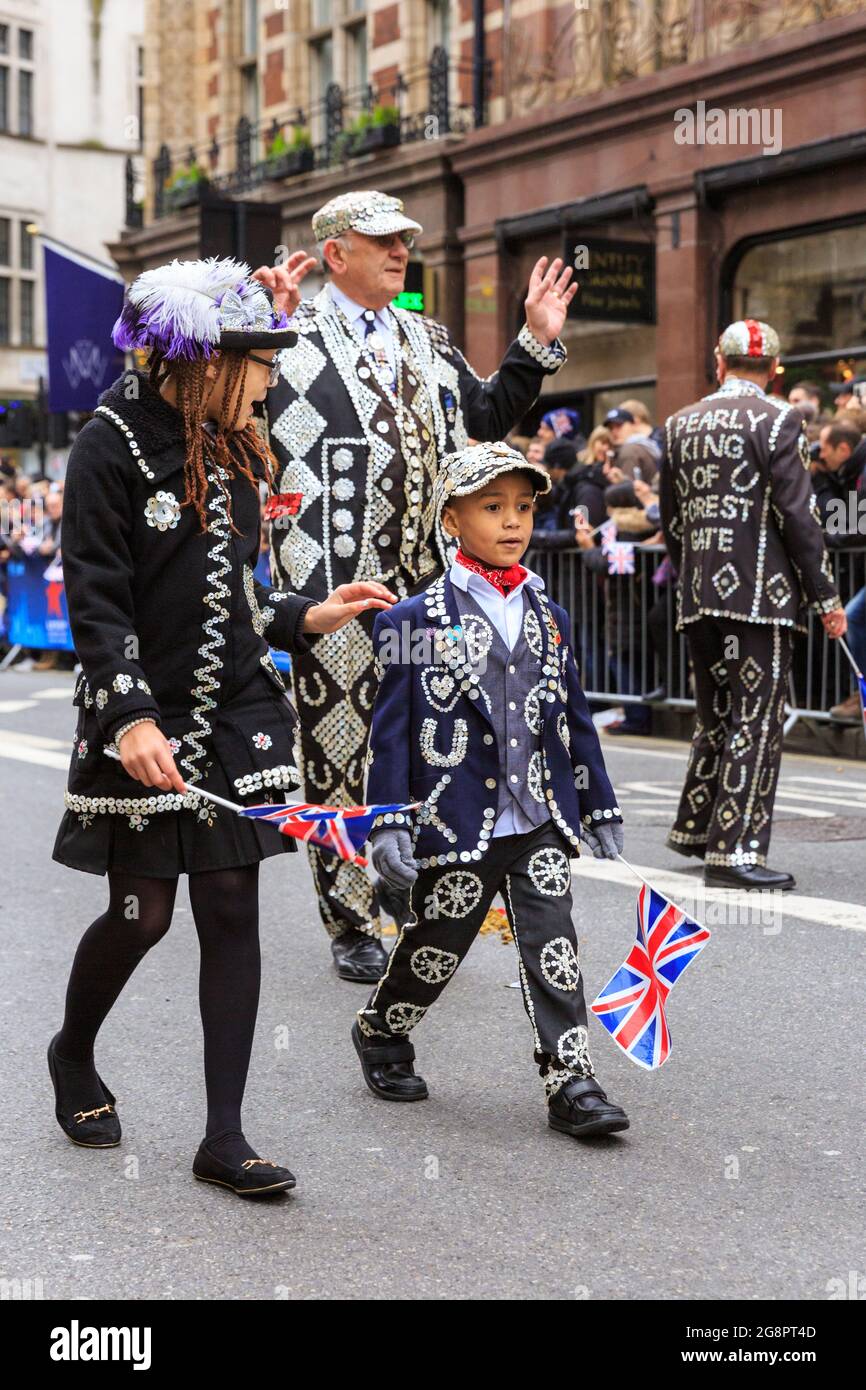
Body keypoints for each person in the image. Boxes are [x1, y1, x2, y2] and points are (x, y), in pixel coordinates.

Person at [48, 256, 394, 1196]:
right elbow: (98, 598)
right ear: (204, 363)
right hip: (144, 715)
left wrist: (306, 617)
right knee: (142, 913)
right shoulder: (106, 446)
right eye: (261, 363)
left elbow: (242, 594)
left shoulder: (240, 447)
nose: (272, 380)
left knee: (233, 907)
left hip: (237, 711)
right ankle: (73, 1052)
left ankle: (224, 1136)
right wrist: (127, 718)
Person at [253, 189, 576, 984]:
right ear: (336, 254)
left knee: (423, 743)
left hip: (426, 590)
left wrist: (534, 342)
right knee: (337, 748)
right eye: (384, 241)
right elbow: (239, 431)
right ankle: (349, 914)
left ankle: (410, 892)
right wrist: (254, 333)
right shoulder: (289, 340)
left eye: (404, 240)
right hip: (333, 589)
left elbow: (488, 415)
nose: (401, 251)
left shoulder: (427, 336)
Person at [352, 441, 629, 1139]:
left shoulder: (551, 618)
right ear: (451, 519)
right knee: (434, 949)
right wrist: (386, 820)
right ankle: (383, 1030)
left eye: (525, 508)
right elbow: (388, 734)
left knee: (553, 950)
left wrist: (598, 803)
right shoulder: (410, 621)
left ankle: (572, 1082)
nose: (513, 522)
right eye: (492, 506)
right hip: (456, 823)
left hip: (536, 817)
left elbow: (574, 718)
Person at [659, 319, 846, 892]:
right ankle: (734, 849)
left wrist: (693, 572)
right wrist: (826, 597)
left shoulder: (678, 424)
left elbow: (671, 521)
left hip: (699, 595)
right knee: (757, 718)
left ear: (720, 362)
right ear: (775, 370)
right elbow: (799, 517)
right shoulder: (782, 420)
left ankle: (697, 828)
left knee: (715, 713)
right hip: (760, 600)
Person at [603, 406, 661, 485]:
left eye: (619, 425)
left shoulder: (630, 450)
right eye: (611, 428)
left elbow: (627, 492)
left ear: (633, 425)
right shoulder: (641, 446)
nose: (614, 431)